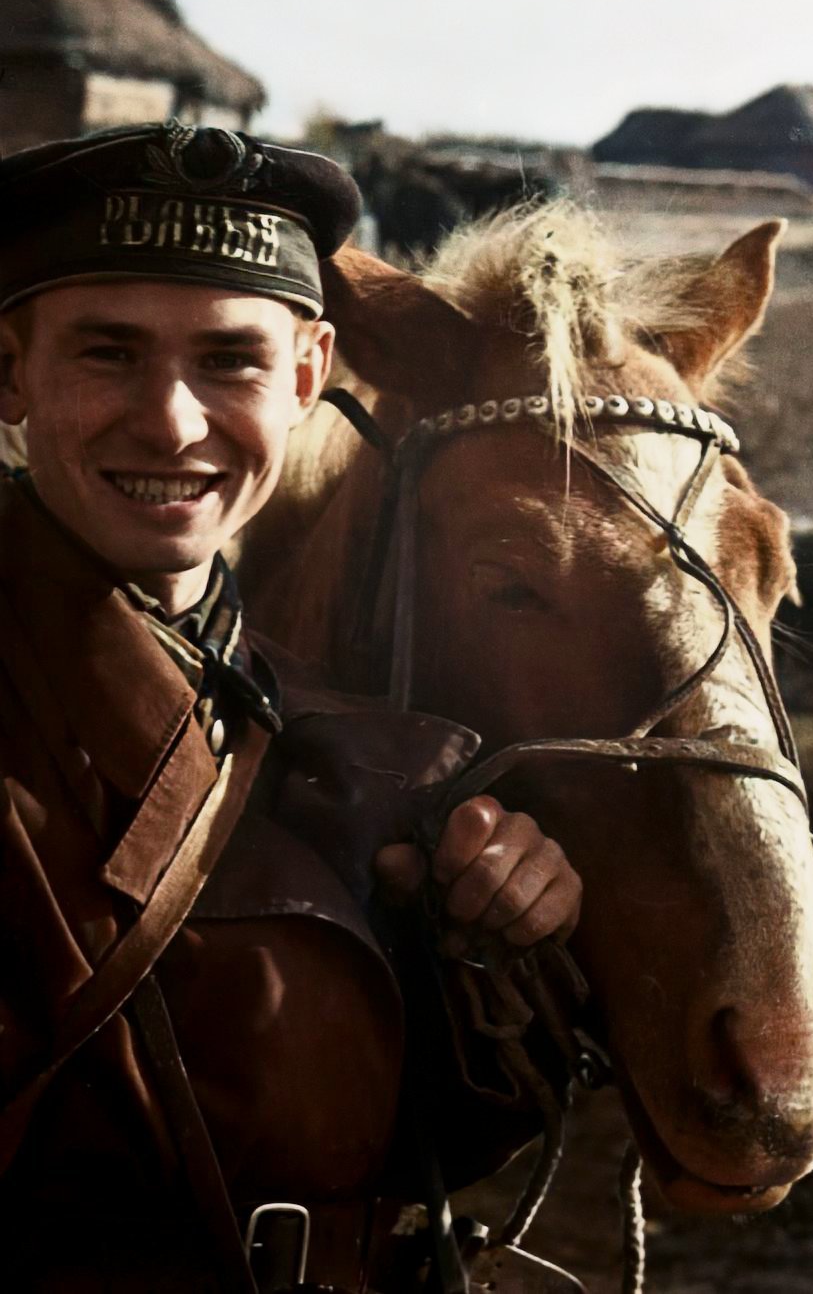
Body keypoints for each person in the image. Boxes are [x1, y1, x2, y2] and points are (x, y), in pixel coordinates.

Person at [0, 121, 582, 1292]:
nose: (171, 421)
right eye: (108, 355)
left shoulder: (353, 742)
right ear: (9, 368)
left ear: (310, 377)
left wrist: (496, 942)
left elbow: (393, 1138)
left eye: (231, 362)